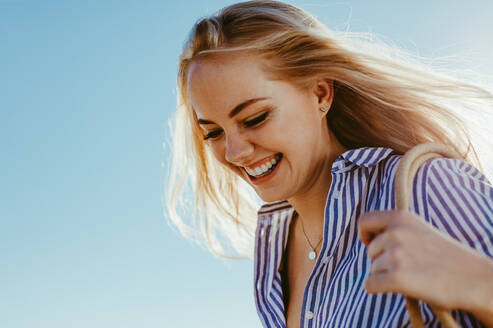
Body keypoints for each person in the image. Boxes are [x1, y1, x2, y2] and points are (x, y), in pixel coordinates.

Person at [165, 1, 493, 327]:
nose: (234, 151)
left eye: (255, 118)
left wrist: (480, 284)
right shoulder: (272, 263)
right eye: (214, 133)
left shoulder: (426, 187)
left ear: (320, 94)